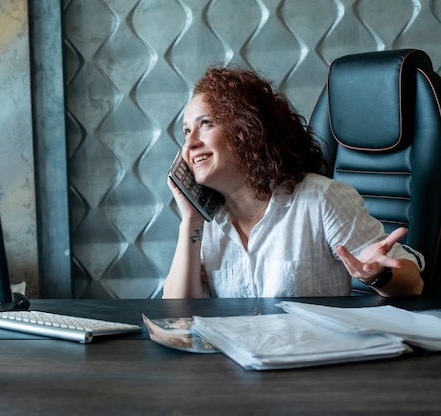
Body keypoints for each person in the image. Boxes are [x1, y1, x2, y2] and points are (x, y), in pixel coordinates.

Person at [163, 66, 424, 299]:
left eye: (205, 124)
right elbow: (179, 317)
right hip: (236, 354)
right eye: (186, 131)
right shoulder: (204, 224)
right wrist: (191, 221)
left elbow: (413, 284)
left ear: (247, 129)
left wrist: (376, 275)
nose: (190, 142)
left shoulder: (322, 199)